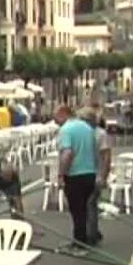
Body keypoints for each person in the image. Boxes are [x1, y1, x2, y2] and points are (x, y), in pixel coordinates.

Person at [56, 104, 99, 247]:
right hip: (90, 172)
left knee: (76, 210)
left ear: (63, 114)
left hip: (75, 174)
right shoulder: (88, 128)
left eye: (57, 117)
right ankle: (84, 237)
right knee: (84, 209)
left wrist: (61, 175)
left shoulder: (66, 129)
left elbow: (67, 153)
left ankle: (79, 242)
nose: (56, 121)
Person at [83, 107, 112, 245]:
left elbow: (106, 157)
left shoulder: (100, 134)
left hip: (95, 174)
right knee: (87, 204)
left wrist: (103, 176)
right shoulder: (82, 134)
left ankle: (91, 235)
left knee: (90, 203)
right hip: (84, 173)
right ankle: (92, 231)